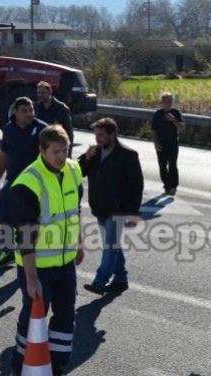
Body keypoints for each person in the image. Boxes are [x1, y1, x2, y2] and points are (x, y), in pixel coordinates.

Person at [8, 125, 84, 376]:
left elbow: (75, 212)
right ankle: (19, 367)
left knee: (65, 316)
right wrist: (30, 278)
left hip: (65, 264)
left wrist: (79, 244)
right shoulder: (28, 182)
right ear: (41, 150)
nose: (62, 157)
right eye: (56, 152)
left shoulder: (72, 169)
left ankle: (56, 365)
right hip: (37, 267)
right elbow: (25, 236)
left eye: (65, 150)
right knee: (33, 319)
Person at [79, 117, 144, 295]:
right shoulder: (94, 152)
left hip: (119, 209)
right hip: (100, 207)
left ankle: (100, 281)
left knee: (110, 246)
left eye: (101, 135)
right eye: (96, 135)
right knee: (113, 245)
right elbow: (79, 172)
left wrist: (134, 212)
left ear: (112, 134)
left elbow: (136, 185)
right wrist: (86, 157)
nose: (97, 139)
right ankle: (121, 278)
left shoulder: (128, 155)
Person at [0, 97, 47, 269]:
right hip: (13, 180)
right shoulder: (9, 129)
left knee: (30, 221)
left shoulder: (42, 129)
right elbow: (4, 155)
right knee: (5, 212)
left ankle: (33, 256)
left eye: (31, 110)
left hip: (35, 183)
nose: (29, 113)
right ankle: (8, 251)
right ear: (15, 112)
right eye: (25, 110)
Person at [151, 92, 184, 196]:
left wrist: (173, 120)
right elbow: (153, 130)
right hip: (161, 143)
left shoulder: (176, 112)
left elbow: (182, 127)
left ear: (172, 102)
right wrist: (156, 143)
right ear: (162, 102)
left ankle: (173, 187)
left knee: (173, 165)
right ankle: (167, 185)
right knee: (162, 166)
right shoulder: (158, 114)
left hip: (173, 143)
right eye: (165, 101)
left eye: (169, 101)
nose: (167, 103)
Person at [34, 81, 73, 156]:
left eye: (43, 93)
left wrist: (68, 154)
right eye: (38, 93)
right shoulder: (35, 107)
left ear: (50, 92)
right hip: (40, 147)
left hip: (56, 147)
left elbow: (69, 133)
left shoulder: (62, 109)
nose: (40, 95)